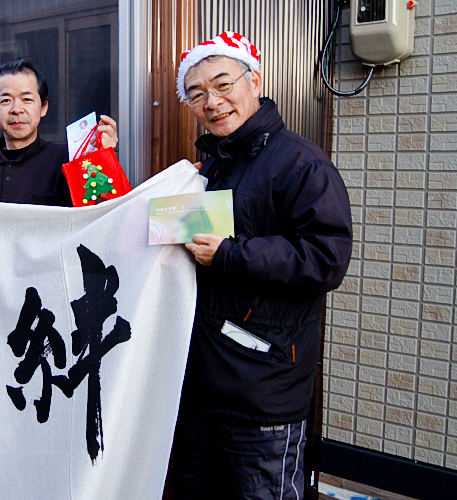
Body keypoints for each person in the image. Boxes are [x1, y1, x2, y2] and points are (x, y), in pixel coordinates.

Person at [172, 32, 353, 499]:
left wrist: (230, 254)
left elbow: (326, 259)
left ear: (254, 81)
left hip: (264, 389)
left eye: (223, 84)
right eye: (197, 94)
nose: (212, 102)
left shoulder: (301, 163)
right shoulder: (211, 168)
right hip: (203, 383)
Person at [0, 57, 118, 206]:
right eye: (6, 100)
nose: (17, 109)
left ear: (44, 107)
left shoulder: (68, 158)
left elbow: (98, 214)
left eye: (27, 99)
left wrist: (104, 159)